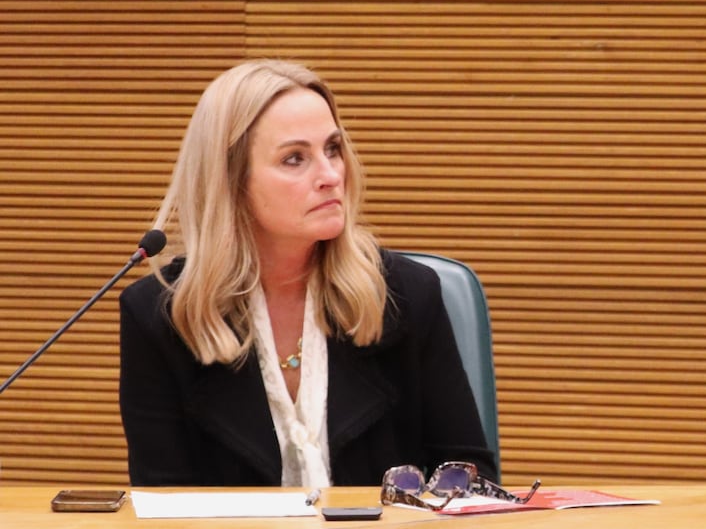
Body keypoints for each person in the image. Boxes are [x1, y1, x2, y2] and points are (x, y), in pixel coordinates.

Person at [119, 59, 496, 487]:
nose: (331, 175)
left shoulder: (406, 295)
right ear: (230, 181)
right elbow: (164, 507)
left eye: (333, 149)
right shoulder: (159, 317)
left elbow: (472, 478)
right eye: (295, 158)